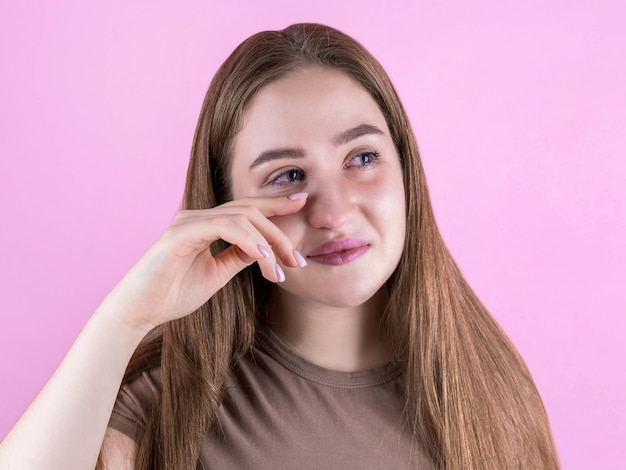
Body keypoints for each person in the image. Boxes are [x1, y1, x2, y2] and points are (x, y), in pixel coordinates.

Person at [0, 23, 560, 469]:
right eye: (288, 175)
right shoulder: (164, 407)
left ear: (406, 169)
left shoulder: (488, 384)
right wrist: (125, 319)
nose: (334, 212)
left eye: (362, 158)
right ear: (227, 205)